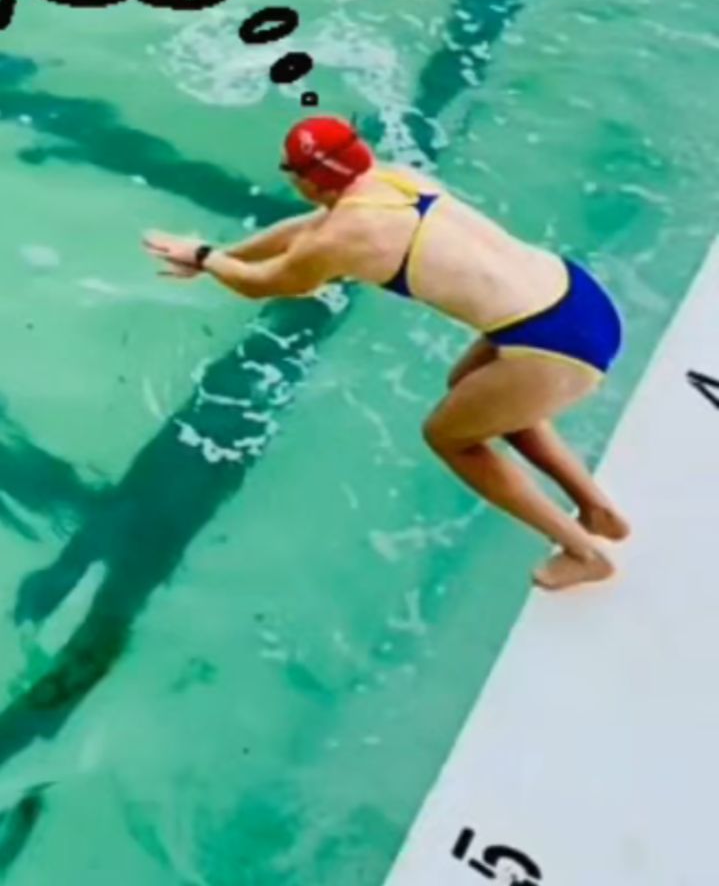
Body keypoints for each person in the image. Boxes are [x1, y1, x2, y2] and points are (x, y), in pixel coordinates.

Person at [143, 116, 630, 591]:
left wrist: (205, 258)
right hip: (576, 296)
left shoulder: (344, 237)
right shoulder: (391, 180)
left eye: (289, 168)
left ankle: (584, 554)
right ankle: (597, 510)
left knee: (451, 438)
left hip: (553, 346)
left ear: (310, 181)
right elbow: (302, 231)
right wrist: (223, 252)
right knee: (472, 395)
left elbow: (262, 284)